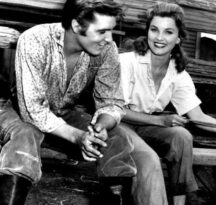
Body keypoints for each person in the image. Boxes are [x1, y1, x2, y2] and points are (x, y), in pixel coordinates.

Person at [0, 0, 136, 204]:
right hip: (17, 110)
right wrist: (77, 136)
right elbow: (33, 111)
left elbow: (111, 101)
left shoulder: (107, 50)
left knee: (118, 138)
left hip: (63, 113)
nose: (109, 39)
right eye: (102, 32)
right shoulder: (35, 39)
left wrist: (100, 127)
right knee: (27, 134)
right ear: (76, 26)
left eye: (111, 31)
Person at [118, 2, 216, 205]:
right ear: (147, 32)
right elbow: (116, 110)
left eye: (168, 32)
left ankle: (179, 202)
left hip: (145, 126)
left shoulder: (178, 74)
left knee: (182, 136)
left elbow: (198, 117)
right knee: (150, 158)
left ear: (178, 38)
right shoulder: (127, 62)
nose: (159, 38)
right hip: (118, 123)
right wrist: (161, 122)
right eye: (154, 29)